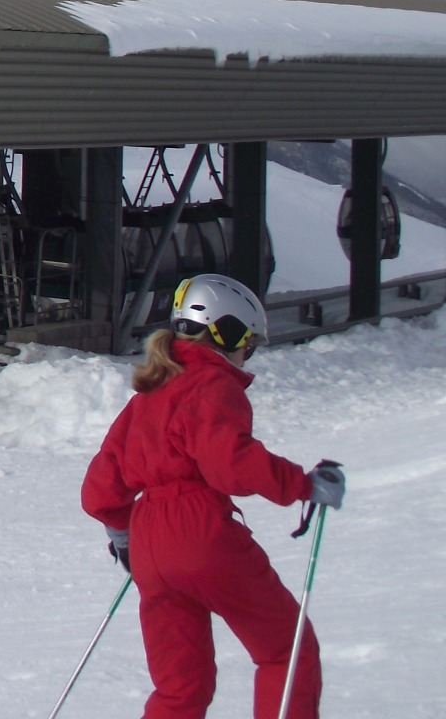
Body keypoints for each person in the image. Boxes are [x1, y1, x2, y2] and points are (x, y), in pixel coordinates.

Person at [82, 274, 344, 719]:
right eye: (250, 344)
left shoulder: (150, 392)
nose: (248, 356)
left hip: (149, 543)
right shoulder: (211, 385)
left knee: (181, 686)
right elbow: (230, 463)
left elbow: (101, 485)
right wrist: (304, 484)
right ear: (227, 332)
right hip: (200, 532)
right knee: (287, 650)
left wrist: (123, 537)